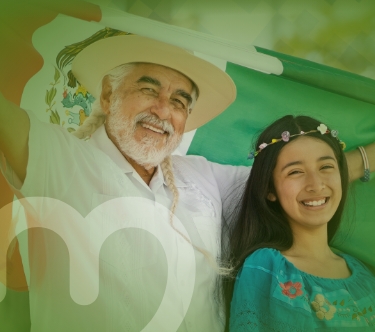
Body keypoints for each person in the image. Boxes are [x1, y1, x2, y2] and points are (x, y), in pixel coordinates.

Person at [0, 35, 374, 332]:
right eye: (149, 90)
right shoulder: (58, 157)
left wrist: (367, 158)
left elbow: (299, 178)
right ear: (108, 95)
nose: (163, 109)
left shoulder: (202, 175)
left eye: (179, 100)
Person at [226, 115, 375, 331]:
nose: (316, 185)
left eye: (326, 167)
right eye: (295, 171)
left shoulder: (363, 274)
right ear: (270, 190)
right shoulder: (268, 267)